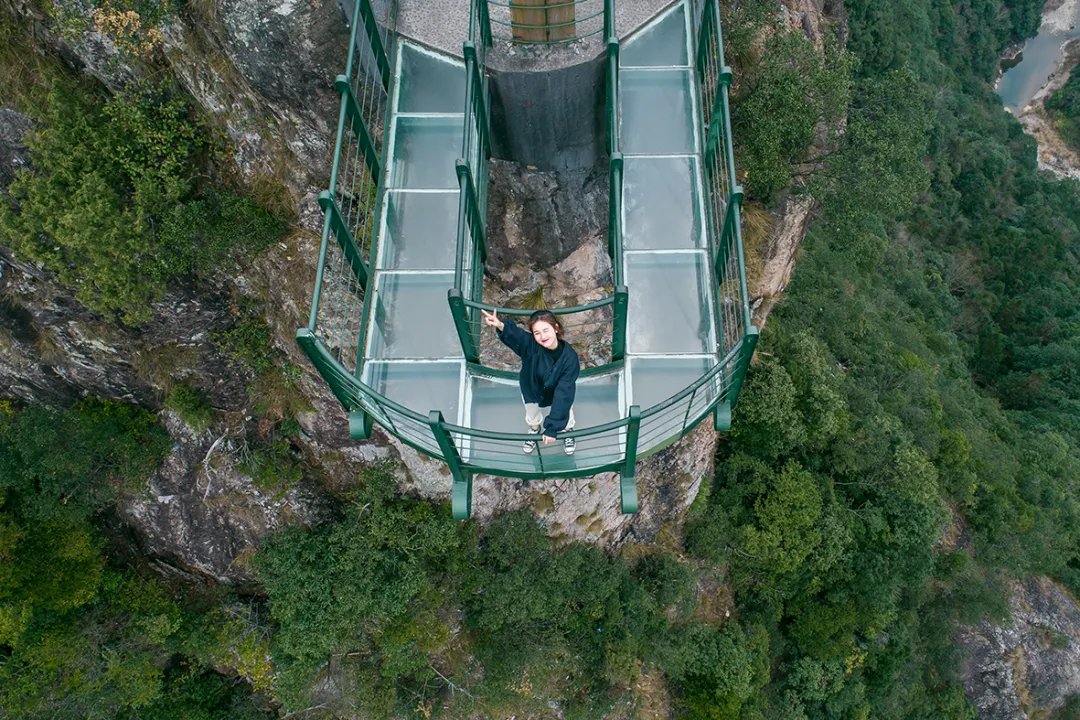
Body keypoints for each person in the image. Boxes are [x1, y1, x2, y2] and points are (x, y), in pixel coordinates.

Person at [481, 307, 580, 455]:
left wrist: (552, 428)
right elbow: (518, 336)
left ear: (556, 328)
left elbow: (564, 393)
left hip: (555, 390)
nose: (542, 336)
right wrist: (500, 325)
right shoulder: (531, 346)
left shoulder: (570, 358)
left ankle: (567, 429)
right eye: (537, 333)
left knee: (566, 408)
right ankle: (534, 430)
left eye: (546, 330)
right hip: (531, 388)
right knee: (532, 414)